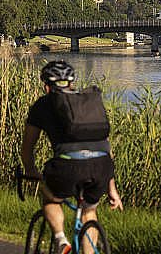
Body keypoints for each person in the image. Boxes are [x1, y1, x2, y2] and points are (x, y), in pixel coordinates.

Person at [21, 60, 123, 254]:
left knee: (50, 198)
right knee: (89, 212)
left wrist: (30, 170)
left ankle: (60, 241)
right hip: (102, 166)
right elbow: (105, 147)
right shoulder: (90, 103)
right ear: (72, 83)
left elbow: (28, 146)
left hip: (67, 168)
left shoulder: (43, 104)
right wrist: (112, 189)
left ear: (46, 86)